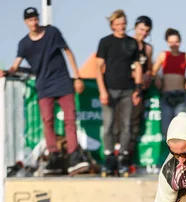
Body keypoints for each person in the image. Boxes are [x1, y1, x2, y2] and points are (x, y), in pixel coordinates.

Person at [0, 7, 89, 176]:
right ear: (26, 23)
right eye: (30, 20)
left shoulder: (52, 33)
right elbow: (16, 64)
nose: (33, 22)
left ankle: (74, 156)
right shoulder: (24, 44)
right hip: (44, 85)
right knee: (47, 120)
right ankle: (54, 155)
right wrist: (7, 72)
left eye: (35, 19)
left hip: (62, 81)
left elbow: (68, 53)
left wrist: (77, 77)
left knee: (70, 119)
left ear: (38, 19)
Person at [96, 9, 142, 176]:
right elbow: (98, 68)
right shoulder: (105, 42)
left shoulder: (132, 43)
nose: (121, 26)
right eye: (117, 24)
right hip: (109, 89)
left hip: (127, 90)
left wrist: (138, 89)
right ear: (112, 25)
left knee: (126, 125)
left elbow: (137, 66)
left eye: (123, 23)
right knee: (108, 125)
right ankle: (109, 158)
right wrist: (102, 91)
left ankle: (123, 157)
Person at [152, 28, 186, 137]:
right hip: (166, 96)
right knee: (167, 130)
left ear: (180, 42)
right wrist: (157, 77)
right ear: (167, 43)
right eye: (171, 42)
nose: (174, 44)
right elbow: (153, 71)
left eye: (176, 42)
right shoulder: (163, 55)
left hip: (181, 96)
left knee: (181, 129)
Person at [131, 16, 153, 165]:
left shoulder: (148, 48)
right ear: (135, 28)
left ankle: (128, 159)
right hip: (125, 88)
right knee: (119, 126)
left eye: (147, 31)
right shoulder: (126, 43)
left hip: (139, 91)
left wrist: (148, 76)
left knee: (134, 125)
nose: (144, 33)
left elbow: (150, 68)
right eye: (141, 29)